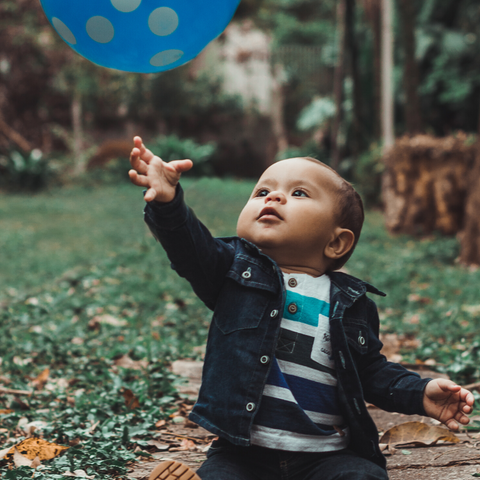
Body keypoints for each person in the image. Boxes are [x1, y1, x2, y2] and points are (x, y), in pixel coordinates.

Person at [128, 136, 474, 480]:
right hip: (243, 453)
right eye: (262, 192)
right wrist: (168, 202)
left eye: (299, 193)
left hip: (326, 456)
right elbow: (190, 248)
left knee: (362, 476)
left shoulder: (352, 303)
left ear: (337, 242)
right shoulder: (232, 273)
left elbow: (370, 371)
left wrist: (420, 393)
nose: (274, 197)